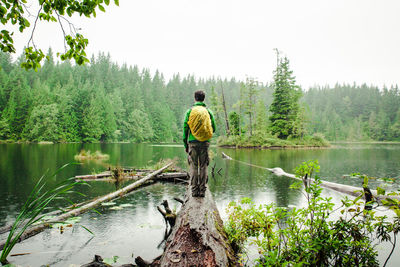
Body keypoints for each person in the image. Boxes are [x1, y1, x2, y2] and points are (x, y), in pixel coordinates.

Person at [183, 90, 216, 197]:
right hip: (205, 143)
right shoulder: (208, 111)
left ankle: (194, 191)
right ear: (203, 99)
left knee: (193, 166)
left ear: (195, 98)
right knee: (203, 166)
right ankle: (202, 191)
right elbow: (213, 128)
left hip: (192, 142)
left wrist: (186, 145)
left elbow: (185, 129)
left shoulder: (190, 111)